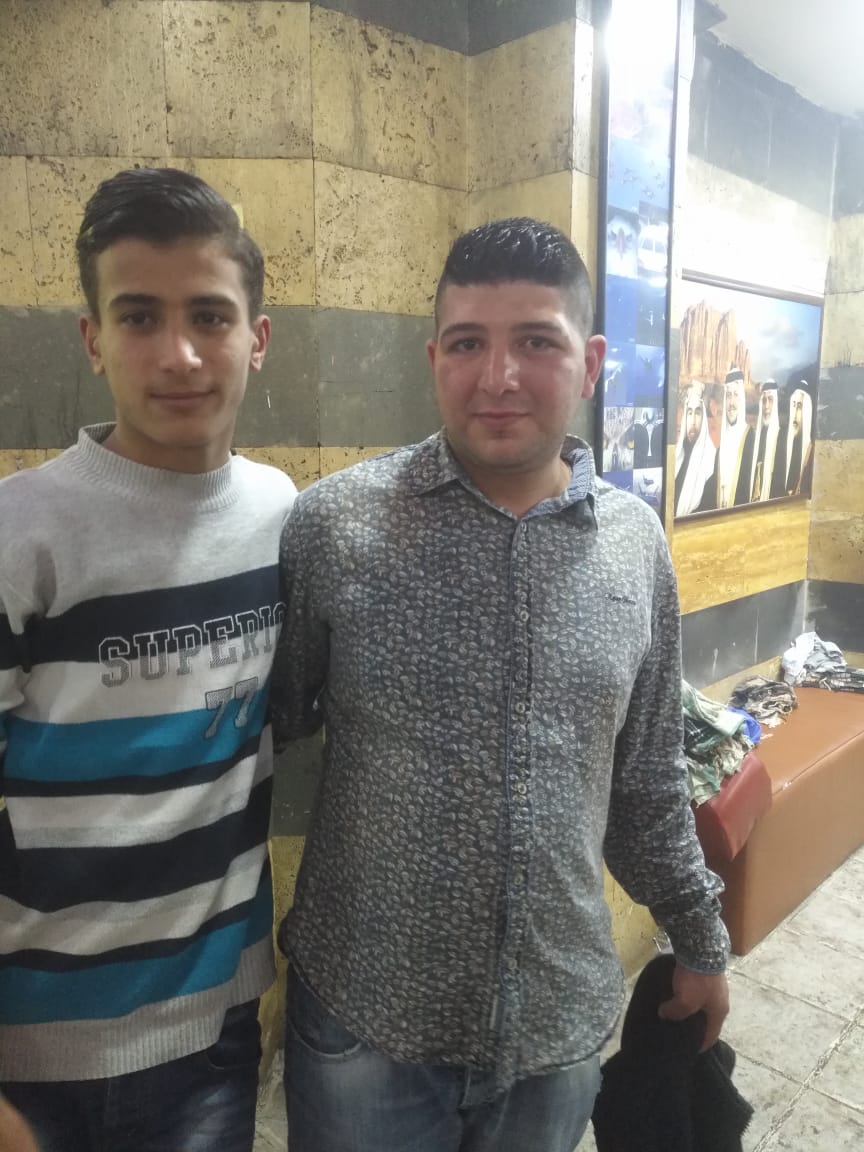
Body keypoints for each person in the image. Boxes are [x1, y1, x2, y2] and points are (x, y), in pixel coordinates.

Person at [271, 218, 730, 1152]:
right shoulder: (334, 529)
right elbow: (267, 735)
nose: (499, 377)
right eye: (469, 344)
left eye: (536, 342)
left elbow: (645, 781)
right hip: (367, 1020)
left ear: (589, 361)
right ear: (433, 358)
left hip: (556, 1033)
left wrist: (698, 935)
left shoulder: (634, 548)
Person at [0, 168, 297, 1152]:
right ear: (92, 340)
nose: (179, 354)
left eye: (210, 316)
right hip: (28, 1055)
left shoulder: (281, 517)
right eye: (138, 317)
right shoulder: (21, 536)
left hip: (208, 1040)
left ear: (258, 338)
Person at [674, 382, 716, 515]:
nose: (692, 421)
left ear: (703, 418)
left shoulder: (711, 459)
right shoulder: (677, 455)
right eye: (689, 413)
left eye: (697, 413)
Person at [716, 368, 754, 508]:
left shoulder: (750, 437)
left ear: (742, 399)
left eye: (736, 395)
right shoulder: (722, 443)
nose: (731, 403)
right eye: (728, 396)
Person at [748, 379, 780, 502]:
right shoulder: (755, 438)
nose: (766, 406)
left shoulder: (781, 438)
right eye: (764, 401)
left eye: (770, 400)